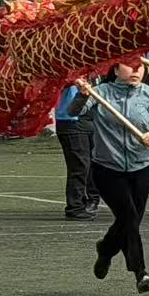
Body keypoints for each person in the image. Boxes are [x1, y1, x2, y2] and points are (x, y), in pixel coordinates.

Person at [73, 58, 149, 292]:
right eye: (129, 66)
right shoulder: (101, 92)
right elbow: (74, 112)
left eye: (140, 66)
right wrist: (82, 94)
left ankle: (106, 249)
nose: (135, 71)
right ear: (115, 68)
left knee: (130, 221)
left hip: (142, 167)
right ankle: (140, 272)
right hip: (107, 169)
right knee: (129, 217)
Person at [53, 79, 100, 219]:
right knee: (79, 166)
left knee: (93, 163)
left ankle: (91, 200)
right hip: (70, 121)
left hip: (89, 120)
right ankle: (75, 207)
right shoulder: (67, 73)